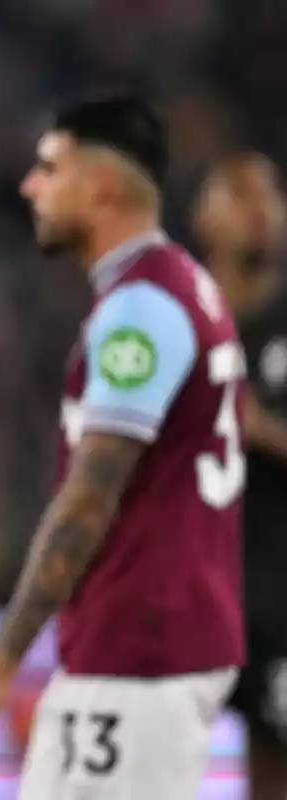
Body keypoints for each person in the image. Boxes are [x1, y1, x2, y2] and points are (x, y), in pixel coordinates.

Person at [0, 95, 245, 798]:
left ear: (102, 186)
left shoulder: (140, 311)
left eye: (50, 168)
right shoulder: (185, 287)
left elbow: (88, 501)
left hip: (141, 649)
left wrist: (1, 666)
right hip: (153, 640)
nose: (31, 186)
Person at [196, 152, 287, 800]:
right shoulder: (177, 324)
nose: (258, 205)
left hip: (280, 599)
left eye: (271, 191)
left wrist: (261, 430)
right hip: (199, 593)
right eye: (238, 191)